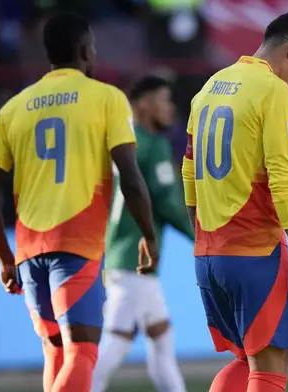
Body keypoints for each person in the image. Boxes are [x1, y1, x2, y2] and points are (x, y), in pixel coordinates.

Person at [0, 13, 159, 392]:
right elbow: (131, 177)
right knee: (83, 354)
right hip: (77, 243)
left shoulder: (15, 106)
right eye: (92, 45)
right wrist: (149, 235)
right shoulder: (107, 98)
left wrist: (4, 258)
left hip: (28, 250)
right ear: (83, 50)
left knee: (55, 351)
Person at [181, 11, 288, 392]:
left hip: (209, 254)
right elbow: (283, 176)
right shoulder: (276, 91)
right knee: (270, 366)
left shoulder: (211, 85)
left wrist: (202, 232)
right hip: (256, 250)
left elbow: (189, 169)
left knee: (247, 360)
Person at [91, 76, 192, 392]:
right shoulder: (153, 144)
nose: (170, 107)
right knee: (117, 342)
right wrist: (202, 238)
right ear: (144, 104)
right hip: (138, 257)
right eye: (164, 100)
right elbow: (167, 203)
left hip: (121, 252)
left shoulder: (120, 141)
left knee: (161, 339)